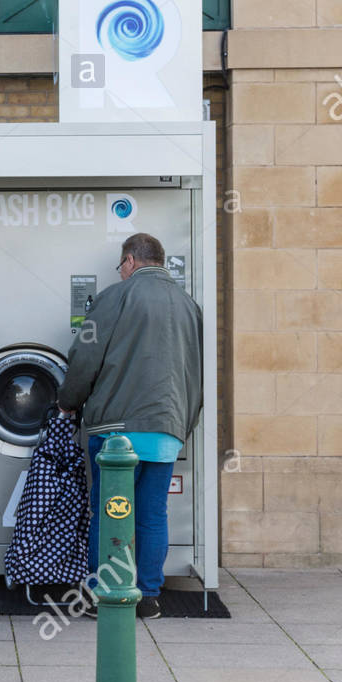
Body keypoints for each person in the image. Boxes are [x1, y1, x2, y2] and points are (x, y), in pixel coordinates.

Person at [58, 232, 203, 620]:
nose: (120, 273)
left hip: (115, 431)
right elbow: (199, 373)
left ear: (130, 261)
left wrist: (68, 402)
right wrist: (182, 425)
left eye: (120, 266)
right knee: (153, 514)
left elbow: (84, 357)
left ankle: (99, 593)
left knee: (109, 512)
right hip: (166, 430)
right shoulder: (189, 306)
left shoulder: (114, 298)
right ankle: (149, 596)